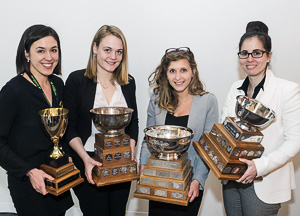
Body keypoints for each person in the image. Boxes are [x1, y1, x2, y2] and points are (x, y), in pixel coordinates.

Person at [221, 21, 300, 216]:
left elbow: (296, 140)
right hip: (231, 177)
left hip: (266, 182)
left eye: (257, 53)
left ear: (268, 55)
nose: (250, 59)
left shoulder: (287, 90)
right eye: (244, 53)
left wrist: (259, 166)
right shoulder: (235, 88)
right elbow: (225, 127)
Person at [64, 25, 138, 216]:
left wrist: (129, 151)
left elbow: (134, 123)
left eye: (119, 52)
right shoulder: (76, 80)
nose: (113, 57)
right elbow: (69, 128)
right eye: (107, 50)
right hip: (88, 159)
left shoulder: (128, 82)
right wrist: (85, 159)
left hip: (119, 162)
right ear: (95, 48)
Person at [0, 25, 74, 216]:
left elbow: (59, 131)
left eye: (53, 50)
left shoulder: (58, 84)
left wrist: (66, 155)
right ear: (26, 54)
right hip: (29, 183)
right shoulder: (13, 91)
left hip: (56, 177)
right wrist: (30, 172)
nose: (49, 57)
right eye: (40, 50)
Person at [139, 47, 219, 216]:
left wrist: (198, 180)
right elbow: (148, 140)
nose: (178, 77)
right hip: (158, 179)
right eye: (172, 71)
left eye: (183, 70)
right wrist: (143, 167)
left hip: (190, 182)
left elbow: (207, 148)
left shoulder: (208, 101)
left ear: (193, 72)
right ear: (165, 74)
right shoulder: (156, 99)